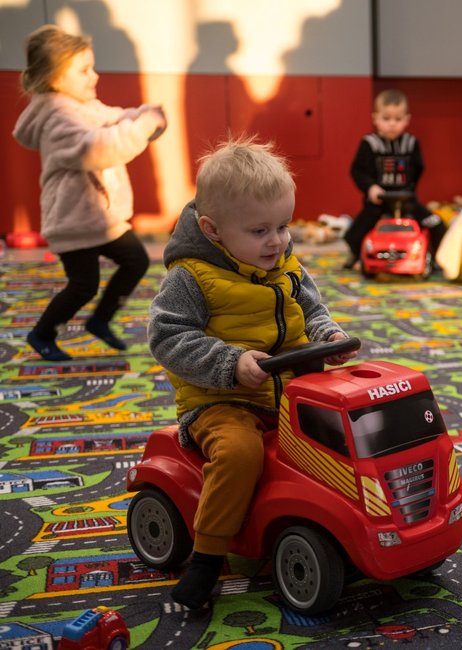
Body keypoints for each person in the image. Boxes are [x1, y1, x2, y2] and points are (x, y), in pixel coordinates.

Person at [148, 136, 358, 609]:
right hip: (220, 401)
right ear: (213, 229)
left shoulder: (284, 261)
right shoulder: (190, 278)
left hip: (291, 388)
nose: (278, 240)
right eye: (261, 230)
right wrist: (229, 363)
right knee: (241, 452)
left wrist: (326, 336)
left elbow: (312, 306)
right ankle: (206, 558)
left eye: (284, 226)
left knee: (351, 427)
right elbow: (166, 339)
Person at [13, 24, 166, 361]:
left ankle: (99, 320)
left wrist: (143, 115)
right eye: (83, 70)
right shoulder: (56, 118)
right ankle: (41, 333)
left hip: (99, 216)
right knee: (83, 285)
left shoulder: (82, 105)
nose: (94, 76)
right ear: (54, 79)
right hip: (71, 221)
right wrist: (142, 127)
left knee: (136, 260)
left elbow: (112, 118)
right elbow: (97, 148)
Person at [342, 88, 445, 269]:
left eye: (397, 119)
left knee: (437, 225)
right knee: (355, 232)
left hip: (407, 201)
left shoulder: (411, 143)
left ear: (407, 119)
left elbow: (419, 168)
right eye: (386, 118)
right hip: (378, 202)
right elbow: (357, 171)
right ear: (375, 118)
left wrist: (410, 190)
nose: (392, 124)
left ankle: (434, 258)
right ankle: (358, 255)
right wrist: (371, 188)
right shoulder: (369, 143)